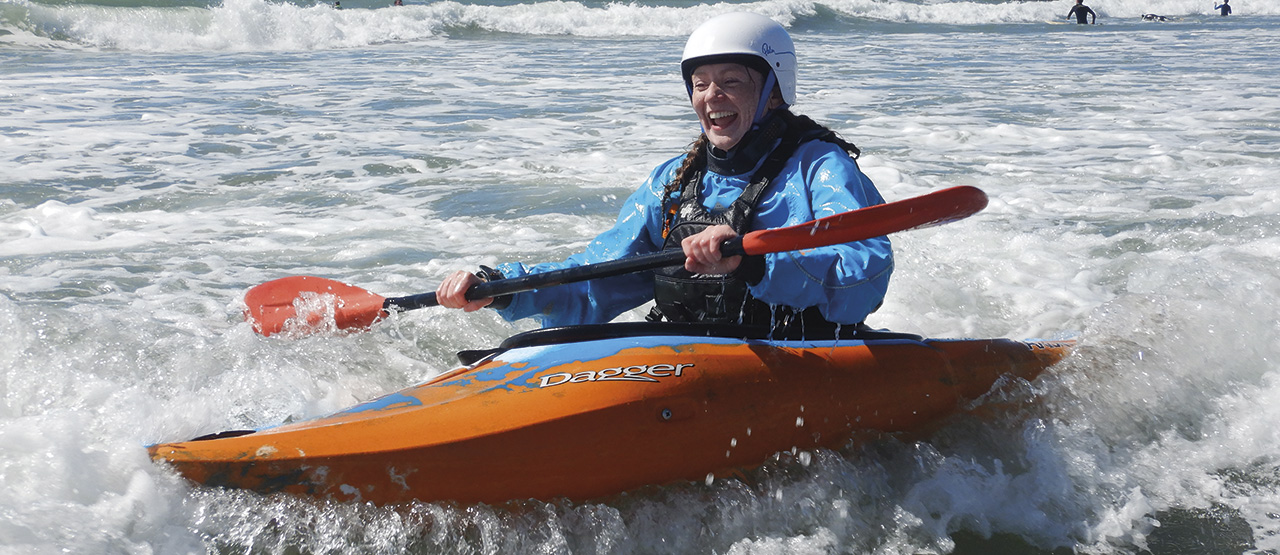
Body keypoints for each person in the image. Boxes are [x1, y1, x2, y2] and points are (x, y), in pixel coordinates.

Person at [435, 12, 893, 339]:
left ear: (774, 93)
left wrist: (752, 262)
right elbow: (601, 278)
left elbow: (863, 277)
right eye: (700, 84)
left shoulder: (821, 168)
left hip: (802, 355)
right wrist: (504, 289)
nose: (712, 95)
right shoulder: (674, 181)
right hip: (691, 359)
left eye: (731, 81)